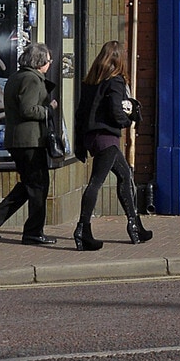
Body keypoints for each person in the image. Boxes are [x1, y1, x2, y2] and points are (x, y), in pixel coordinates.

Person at [73, 39, 152, 249]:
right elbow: (116, 111)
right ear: (118, 59)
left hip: (92, 137)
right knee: (96, 183)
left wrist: (80, 142)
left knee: (125, 175)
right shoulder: (115, 81)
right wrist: (128, 121)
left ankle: (135, 225)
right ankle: (83, 229)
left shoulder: (90, 81)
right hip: (106, 137)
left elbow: (80, 114)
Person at [0, 41, 57, 244]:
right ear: (40, 61)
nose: (50, 63)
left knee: (30, 184)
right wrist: (49, 109)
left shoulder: (18, 77)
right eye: (48, 60)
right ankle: (33, 232)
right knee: (38, 185)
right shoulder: (31, 79)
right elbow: (28, 109)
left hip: (19, 140)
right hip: (29, 141)